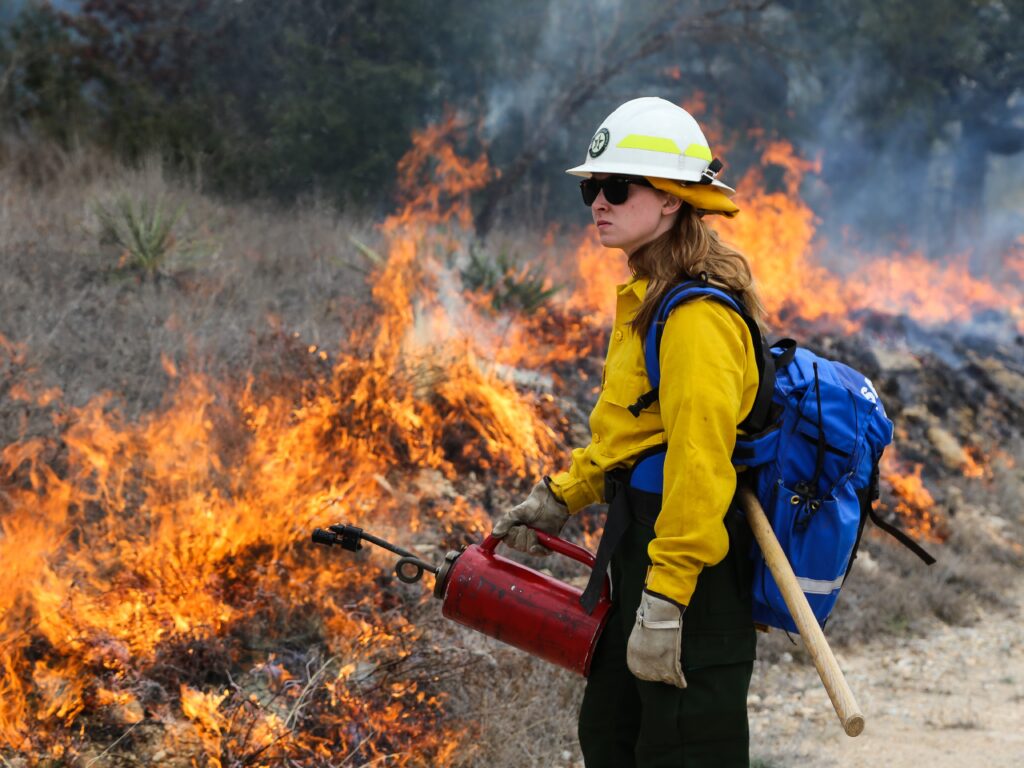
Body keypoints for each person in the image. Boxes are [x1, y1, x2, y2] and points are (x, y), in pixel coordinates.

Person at [491, 96, 765, 767]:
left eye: (617, 186)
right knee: (612, 736)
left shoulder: (696, 318)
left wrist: (668, 599)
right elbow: (632, 432)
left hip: (691, 571)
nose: (598, 203)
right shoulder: (650, 298)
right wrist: (563, 495)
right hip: (640, 554)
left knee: (682, 749)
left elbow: (701, 468)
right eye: (592, 187)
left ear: (671, 200)